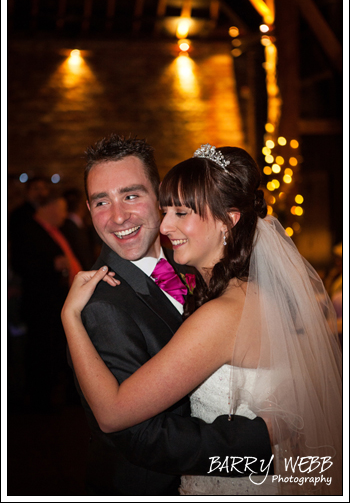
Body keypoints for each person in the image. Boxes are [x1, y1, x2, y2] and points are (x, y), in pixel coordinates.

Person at [62, 143, 342, 496]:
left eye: (131, 196)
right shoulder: (103, 301)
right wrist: (261, 441)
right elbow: (134, 433)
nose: (118, 217)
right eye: (101, 201)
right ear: (88, 208)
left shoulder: (209, 282)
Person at [13, 192, 82, 411]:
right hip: (42, 305)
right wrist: (52, 265)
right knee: (41, 352)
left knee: (53, 350)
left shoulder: (53, 230)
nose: (64, 214)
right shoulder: (29, 230)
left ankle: (51, 394)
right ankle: (40, 401)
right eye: (61, 208)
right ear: (49, 207)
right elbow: (22, 264)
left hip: (55, 302)